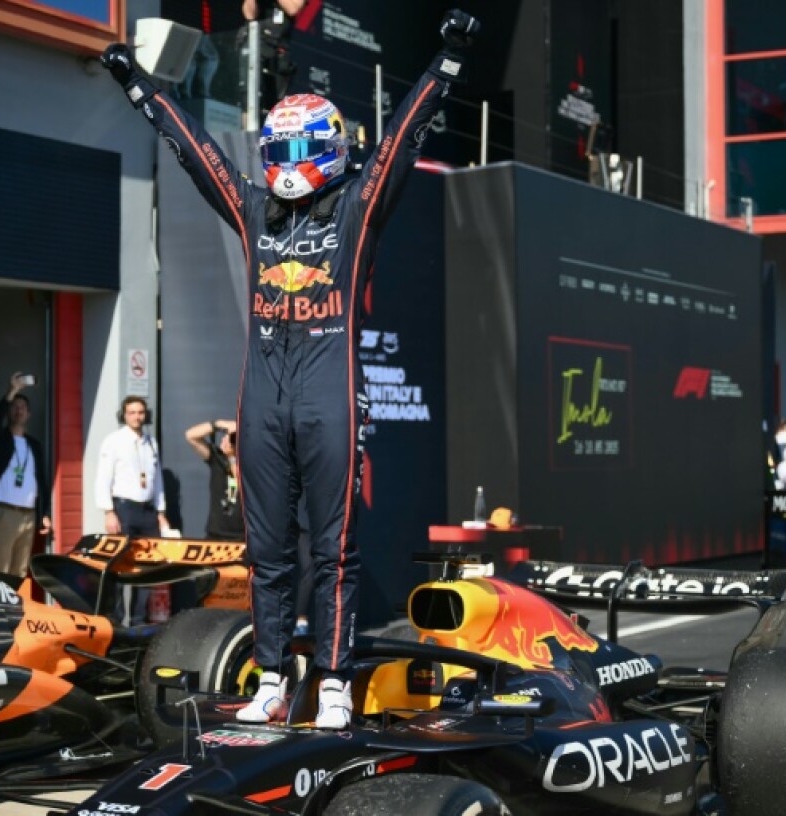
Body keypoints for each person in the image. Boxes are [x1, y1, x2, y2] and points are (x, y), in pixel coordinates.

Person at [101, 8, 480, 729]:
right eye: (277, 148)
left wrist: (448, 61)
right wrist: (140, 88)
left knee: (333, 549)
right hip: (262, 401)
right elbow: (197, 152)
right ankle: (274, 676)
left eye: (299, 147)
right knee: (267, 553)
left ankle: (333, 679)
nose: (284, 161)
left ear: (329, 150)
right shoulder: (253, 210)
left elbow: (400, 141)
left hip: (327, 393)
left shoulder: (356, 209)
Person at [95, 396, 169, 624]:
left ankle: (137, 619)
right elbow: (103, 478)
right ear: (124, 415)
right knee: (119, 565)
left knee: (145, 567)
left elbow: (157, 482)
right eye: (132, 412)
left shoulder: (151, 442)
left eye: (140, 412)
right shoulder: (113, 441)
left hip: (147, 512)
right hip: (123, 508)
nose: (137, 417)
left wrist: (161, 512)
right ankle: (115, 621)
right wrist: (108, 511)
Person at [0, 373, 51, 577]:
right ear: (9, 412)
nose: (19, 410)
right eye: (15, 407)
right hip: (5, 512)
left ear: (29, 414)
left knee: (20, 570)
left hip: (28, 515)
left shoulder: (34, 445)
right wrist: (11, 392)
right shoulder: (1, 440)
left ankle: (14, 608)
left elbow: (42, 481)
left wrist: (45, 513)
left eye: (23, 408)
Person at [184, 418, 244, 541]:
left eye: (231, 437)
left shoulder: (251, 463)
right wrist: (218, 424)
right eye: (225, 436)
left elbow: (238, 481)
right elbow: (190, 436)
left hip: (241, 535)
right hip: (215, 533)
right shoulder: (217, 459)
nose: (225, 439)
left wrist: (233, 456)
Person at [242, 0, 307, 108]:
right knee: (248, 98)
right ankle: (247, 124)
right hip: (255, 44)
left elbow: (293, 8)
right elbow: (249, 15)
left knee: (274, 104)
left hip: (278, 52)